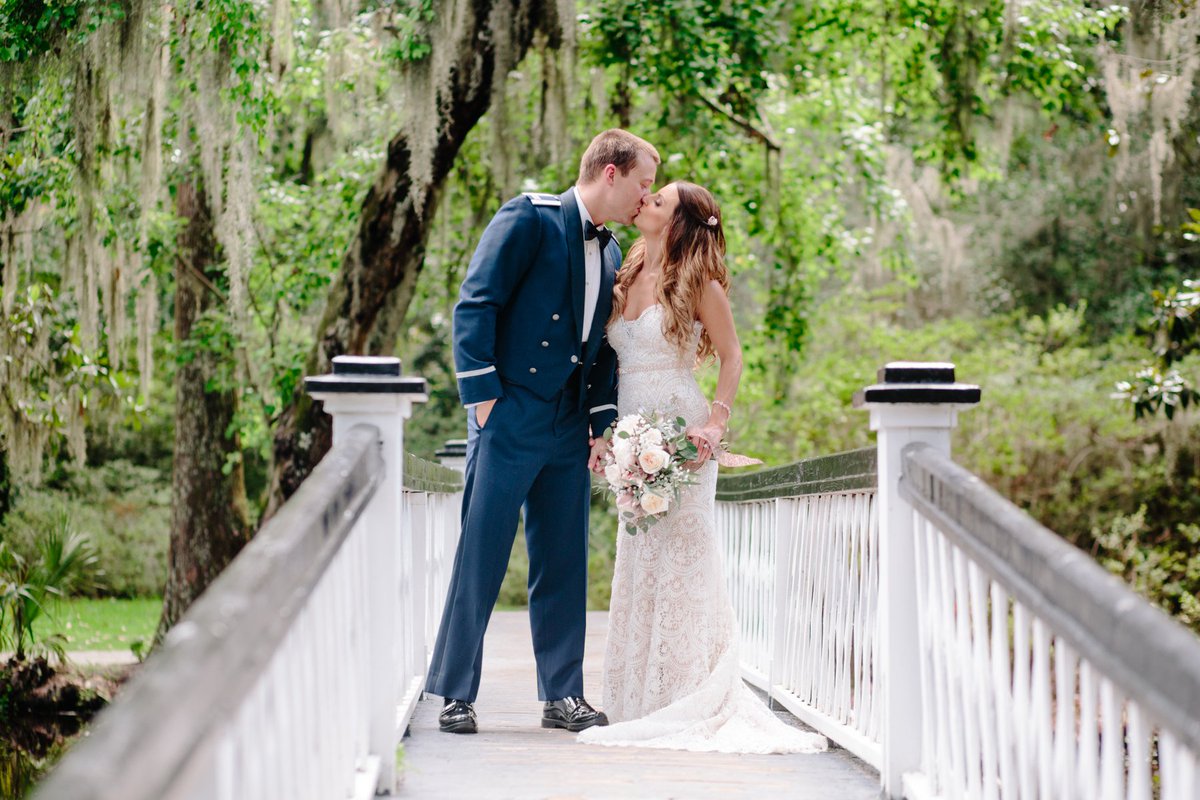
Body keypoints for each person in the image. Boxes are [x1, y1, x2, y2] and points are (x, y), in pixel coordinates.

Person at [578, 182, 829, 754]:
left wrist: (715, 425)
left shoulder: (700, 283)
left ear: (681, 222)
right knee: (639, 555)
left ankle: (690, 689)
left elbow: (733, 354)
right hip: (632, 437)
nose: (644, 202)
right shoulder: (623, 269)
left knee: (685, 555)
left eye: (658, 201)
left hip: (682, 438)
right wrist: (608, 431)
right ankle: (638, 697)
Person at [426, 129, 660, 735]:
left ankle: (563, 694)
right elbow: (475, 303)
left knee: (563, 560)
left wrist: (600, 423)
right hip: (508, 417)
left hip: (567, 426)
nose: (647, 194)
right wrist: (482, 402)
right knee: (481, 555)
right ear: (611, 172)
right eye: (644, 181)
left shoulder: (611, 252)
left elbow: (604, 350)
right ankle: (456, 694)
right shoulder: (528, 218)